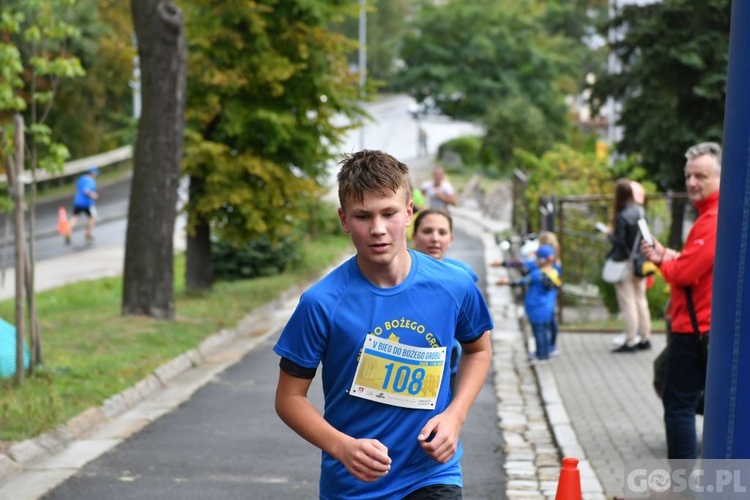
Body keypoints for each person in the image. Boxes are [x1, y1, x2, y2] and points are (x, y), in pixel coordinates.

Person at [273, 149, 494, 499]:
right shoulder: (322, 303)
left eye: (388, 213)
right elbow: (288, 398)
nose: (377, 229)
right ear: (344, 220)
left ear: (408, 213)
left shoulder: (453, 285)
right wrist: (342, 447)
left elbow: (478, 350)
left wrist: (455, 416)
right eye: (363, 216)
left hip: (431, 475)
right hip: (354, 484)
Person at [640, 141, 721, 460]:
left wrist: (664, 262)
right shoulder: (710, 217)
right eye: (688, 175)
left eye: (701, 176)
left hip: (697, 329)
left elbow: (685, 273)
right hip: (701, 327)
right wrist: (667, 256)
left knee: (679, 407)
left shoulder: (713, 219)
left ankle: (683, 487)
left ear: (719, 178)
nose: (692, 183)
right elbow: (693, 263)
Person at [411, 208, 479, 392]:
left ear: (451, 239)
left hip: (450, 369)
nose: (435, 238)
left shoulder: (463, 275)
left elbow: (477, 335)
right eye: (427, 231)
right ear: (414, 235)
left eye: (442, 232)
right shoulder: (397, 274)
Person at [490, 231, 562, 355]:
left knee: (539, 331)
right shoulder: (556, 266)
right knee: (548, 327)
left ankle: (542, 355)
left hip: (537, 306)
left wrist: (504, 271)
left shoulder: (537, 271)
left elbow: (523, 275)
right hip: (549, 303)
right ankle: (551, 348)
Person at [606, 178, 652, 353]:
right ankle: (645, 337)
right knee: (641, 300)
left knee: (628, 303)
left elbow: (620, 240)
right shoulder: (640, 211)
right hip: (639, 261)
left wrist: (609, 235)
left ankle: (631, 339)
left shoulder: (621, 215)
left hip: (625, 263)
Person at [65, 167, 100, 244]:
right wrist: (93, 195)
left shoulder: (81, 178)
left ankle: (68, 232)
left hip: (78, 201)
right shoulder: (91, 181)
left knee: (75, 217)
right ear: (93, 174)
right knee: (92, 217)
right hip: (87, 203)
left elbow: (78, 187)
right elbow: (86, 190)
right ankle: (88, 233)